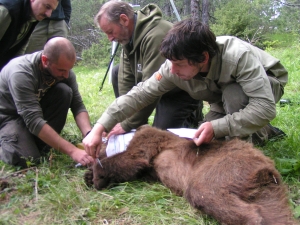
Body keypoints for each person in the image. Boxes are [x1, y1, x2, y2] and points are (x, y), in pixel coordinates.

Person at [83, 19, 288, 157]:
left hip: (266, 84)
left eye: (179, 64)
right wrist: (100, 127)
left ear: (203, 58)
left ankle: (243, 149)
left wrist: (218, 127)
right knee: (202, 142)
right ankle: (264, 130)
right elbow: (140, 94)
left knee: (233, 96)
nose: (172, 70)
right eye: (170, 63)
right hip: (220, 95)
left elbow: (264, 107)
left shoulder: (238, 56)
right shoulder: (174, 65)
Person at [94, 1, 203, 137]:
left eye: (110, 32)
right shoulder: (127, 35)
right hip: (154, 86)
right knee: (117, 71)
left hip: (178, 90)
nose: (110, 38)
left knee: (161, 136)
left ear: (124, 19)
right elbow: (125, 78)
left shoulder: (155, 35)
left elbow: (150, 91)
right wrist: (123, 118)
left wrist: (128, 124)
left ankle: (192, 114)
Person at [0, 37, 94, 168]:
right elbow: (33, 121)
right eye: (61, 70)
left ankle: (37, 142)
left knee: (65, 91)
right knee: (28, 159)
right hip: (9, 118)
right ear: (45, 60)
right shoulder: (21, 72)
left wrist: (90, 136)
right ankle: (6, 142)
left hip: (34, 112)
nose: (66, 75)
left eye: (69, 69)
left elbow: (77, 105)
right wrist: (73, 151)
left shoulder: (65, 71)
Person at [0, 0, 59, 70]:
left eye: (52, 10)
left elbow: (20, 48)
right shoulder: (6, 10)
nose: (49, 14)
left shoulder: (33, 15)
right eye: (47, 7)